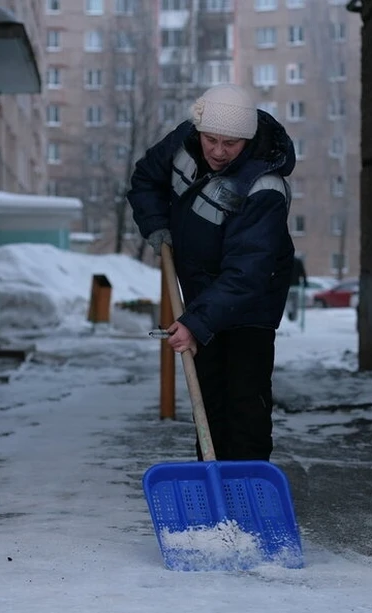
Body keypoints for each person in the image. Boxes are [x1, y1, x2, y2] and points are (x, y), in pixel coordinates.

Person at [127, 84, 296, 462]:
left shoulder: (263, 186)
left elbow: (247, 272)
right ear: (198, 130)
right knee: (208, 398)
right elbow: (145, 180)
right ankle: (211, 482)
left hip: (251, 302)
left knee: (245, 402)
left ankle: (248, 486)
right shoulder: (183, 142)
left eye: (231, 144)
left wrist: (195, 322)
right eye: (211, 140)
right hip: (203, 294)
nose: (218, 152)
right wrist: (156, 224)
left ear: (247, 140)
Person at [286, 255, 307, 322]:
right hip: (295, 285)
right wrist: (305, 281)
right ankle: (293, 316)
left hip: (287, 285)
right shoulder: (297, 261)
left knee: (288, 301)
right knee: (294, 301)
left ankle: (290, 314)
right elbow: (302, 272)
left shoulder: (286, 260)